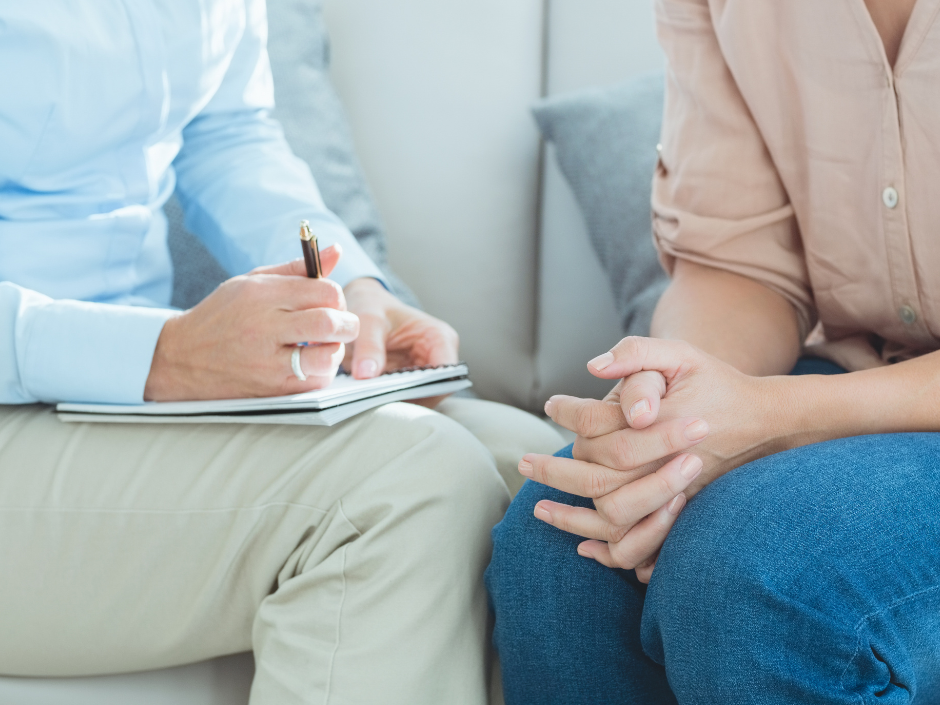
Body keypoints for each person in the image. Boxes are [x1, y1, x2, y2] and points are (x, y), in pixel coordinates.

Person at [0, 1, 561, 703]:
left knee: (544, 475)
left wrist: (349, 291)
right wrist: (161, 357)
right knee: (404, 483)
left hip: (114, 387)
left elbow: (227, 133)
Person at [487, 0, 940, 702]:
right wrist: (671, 407)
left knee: (757, 573)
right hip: (860, 365)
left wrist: (769, 411)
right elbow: (742, 263)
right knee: (562, 544)